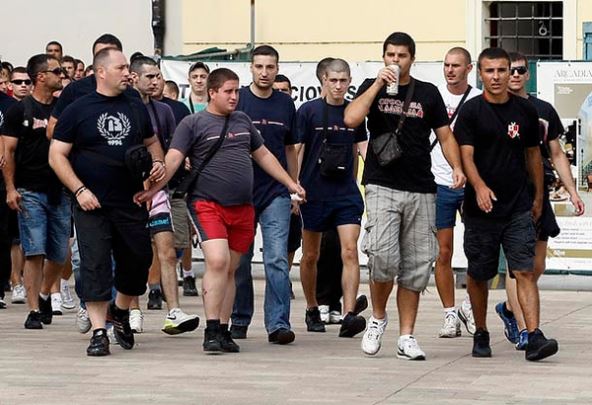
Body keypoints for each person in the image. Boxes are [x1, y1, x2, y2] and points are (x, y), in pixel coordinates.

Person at [134, 67, 305, 354]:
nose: (234, 96)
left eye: (236, 91)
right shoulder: (193, 123)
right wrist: (153, 190)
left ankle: (224, 330)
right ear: (212, 92)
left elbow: (264, 155)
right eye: (228, 91)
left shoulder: (243, 120)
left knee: (230, 269)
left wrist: (290, 183)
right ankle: (211, 329)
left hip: (244, 207)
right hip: (207, 204)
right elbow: (173, 160)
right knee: (217, 261)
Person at [344, 32, 465, 360]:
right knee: (382, 257)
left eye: (401, 56)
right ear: (383, 56)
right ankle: (377, 318)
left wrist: (456, 167)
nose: (395, 61)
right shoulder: (371, 86)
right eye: (390, 55)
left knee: (416, 265)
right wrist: (376, 85)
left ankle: (406, 336)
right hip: (381, 183)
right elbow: (351, 118)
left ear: (412, 58)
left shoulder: (428, 92)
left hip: (421, 187)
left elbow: (445, 135)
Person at [49, 48, 166, 357]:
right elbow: (56, 155)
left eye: (127, 67)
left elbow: (152, 142)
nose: (128, 72)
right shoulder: (78, 109)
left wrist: (157, 162)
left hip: (130, 200)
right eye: (121, 67)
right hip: (92, 203)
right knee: (95, 264)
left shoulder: (135, 105)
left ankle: (121, 310)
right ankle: (99, 332)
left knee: (139, 259)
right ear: (101, 72)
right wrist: (79, 190)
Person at [454, 47, 558, 361]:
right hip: (481, 209)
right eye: (490, 71)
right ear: (480, 74)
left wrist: (538, 196)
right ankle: (481, 331)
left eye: (503, 70)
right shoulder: (471, 112)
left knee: (524, 270)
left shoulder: (524, 110)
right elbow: (466, 156)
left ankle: (534, 335)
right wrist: (479, 187)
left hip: (518, 206)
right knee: (479, 274)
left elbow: (533, 156)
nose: (497, 77)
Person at [494, 51, 585, 350]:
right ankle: (525, 330)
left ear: (527, 74)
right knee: (518, 266)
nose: (515, 75)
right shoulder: (492, 107)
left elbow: (556, 153)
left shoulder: (543, 110)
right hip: (508, 194)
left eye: (520, 70)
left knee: (536, 265)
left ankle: (509, 309)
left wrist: (572, 191)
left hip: (538, 191)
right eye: (510, 70)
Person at [230, 45, 298, 344]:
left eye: (270, 67)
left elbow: (290, 149)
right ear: (251, 68)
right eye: (259, 66)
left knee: (277, 259)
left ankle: (278, 324)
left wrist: (293, 186)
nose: (265, 72)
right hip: (241, 193)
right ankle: (239, 319)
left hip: (276, 194)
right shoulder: (238, 100)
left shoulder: (285, 104)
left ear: (277, 68)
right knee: (240, 261)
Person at [128, 55, 200, 334]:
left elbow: (171, 151)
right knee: (133, 254)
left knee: (167, 251)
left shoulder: (165, 111)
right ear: (134, 78)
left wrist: (161, 174)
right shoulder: (123, 108)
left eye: (158, 76)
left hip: (158, 192)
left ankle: (174, 311)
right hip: (128, 193)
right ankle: (132, 310)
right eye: (150, 76)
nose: (156, 81)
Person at [298, 58, 368, 338]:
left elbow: (362, 148)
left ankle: (349, 314)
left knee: (350, 251)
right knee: (310, 255)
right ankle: (312, 307)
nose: (338, 86)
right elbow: (298, 150)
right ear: (323, 80)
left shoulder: (355, 112)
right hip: (313, 193)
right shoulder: (308, 111)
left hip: (346, 194)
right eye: (333, 80)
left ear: (350, 81)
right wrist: (294, 187)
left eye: (343, 81)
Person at [2, 54, 71, 329]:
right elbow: (7, 152)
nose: (62, 76)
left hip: (60, 190)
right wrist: (10, 188)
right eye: (57, 72)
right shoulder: (19, 111)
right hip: (29, 190)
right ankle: (33, 310)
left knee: (59, 254)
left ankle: (44, 294)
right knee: (34, 250)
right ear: (41, 77)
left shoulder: (63, 110)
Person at [430, 47, 481, 338]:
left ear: (469, 68)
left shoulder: (479, 99)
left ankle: (469, 307)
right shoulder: (433, 97)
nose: (450, 70)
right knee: (443, 251)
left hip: (472, 184)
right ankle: (449, 314)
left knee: (478, 250)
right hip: (439, 182)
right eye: (447, 65)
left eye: (456, 65)